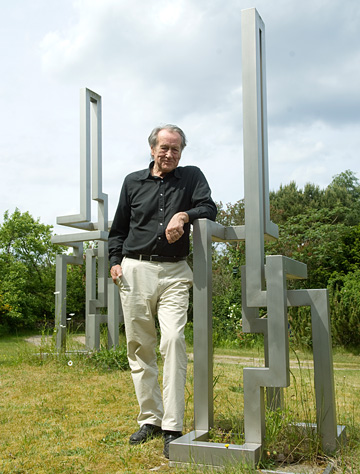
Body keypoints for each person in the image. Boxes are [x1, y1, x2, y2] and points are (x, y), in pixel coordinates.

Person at [108, 124, 217, 458]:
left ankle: (172, 424)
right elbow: (119, 229)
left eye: (176, 149)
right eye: (164, 148)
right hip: (134, 269)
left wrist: (183, 214)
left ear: (182, 152)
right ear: (152, 148)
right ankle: (150, 419)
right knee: (140, 346)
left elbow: (209, 208)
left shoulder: (191, 177)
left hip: (174, 272)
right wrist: (115, 262)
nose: (170, 154)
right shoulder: (132, 181)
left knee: (172, 341)